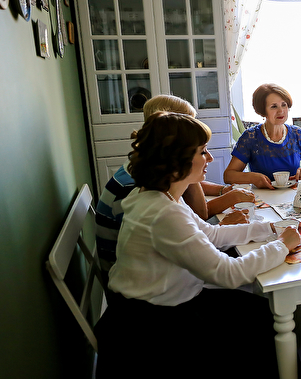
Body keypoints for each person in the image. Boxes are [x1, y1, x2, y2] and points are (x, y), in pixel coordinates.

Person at [94, 112, 301, 379]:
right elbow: (227, 273)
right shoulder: (163, 213)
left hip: (156, 305)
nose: (209, 158)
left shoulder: (155, 195)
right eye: (202, 152)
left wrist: (269, 229)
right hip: (151, 325)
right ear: (177, 161)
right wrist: (282, 245)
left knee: (258, 314)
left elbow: (209, 234)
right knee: (250, 329)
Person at [95, 95, 255, 274]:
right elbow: (200, 216)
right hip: (141, 276)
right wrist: (223, 223)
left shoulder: (148, 168)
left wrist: (222, 190)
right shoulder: (139, 188)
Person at [224, 83, 301, 189]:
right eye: (274, 106)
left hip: (293, 194)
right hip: (263, 196)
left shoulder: (297, 134)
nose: (281, 111)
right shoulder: (250, 137)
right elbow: (228, 176)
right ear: (262, 111)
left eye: (284, 105)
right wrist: (252, 177)